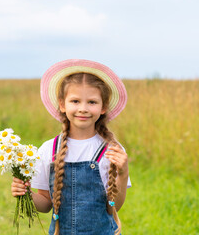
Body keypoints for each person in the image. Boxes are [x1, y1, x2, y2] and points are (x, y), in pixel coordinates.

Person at [11, 59, 131, 235]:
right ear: (62, 104)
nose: (83, 108)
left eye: (92, 102)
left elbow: (113, 207)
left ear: (103, 107)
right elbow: (45, 203)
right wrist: (26, 194)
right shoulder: (49, 149)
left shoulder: (111, 150)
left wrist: (123, 173)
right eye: (75, 101)